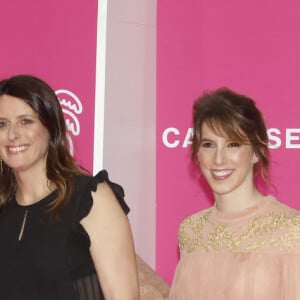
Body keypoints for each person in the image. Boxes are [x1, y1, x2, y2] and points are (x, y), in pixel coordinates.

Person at [0, 74, 139, 300]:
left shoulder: (89, 198)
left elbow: (123, 296)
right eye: (2, 124)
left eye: (26, 121)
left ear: (51, 127)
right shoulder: (3, 209)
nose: (12, 134)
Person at [169, 88, 300, 299]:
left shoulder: (293, 230)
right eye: (209, 145)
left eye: (232, 144)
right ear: (197, 154)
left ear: (257, 152)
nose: (219, 159)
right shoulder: (190, 231)